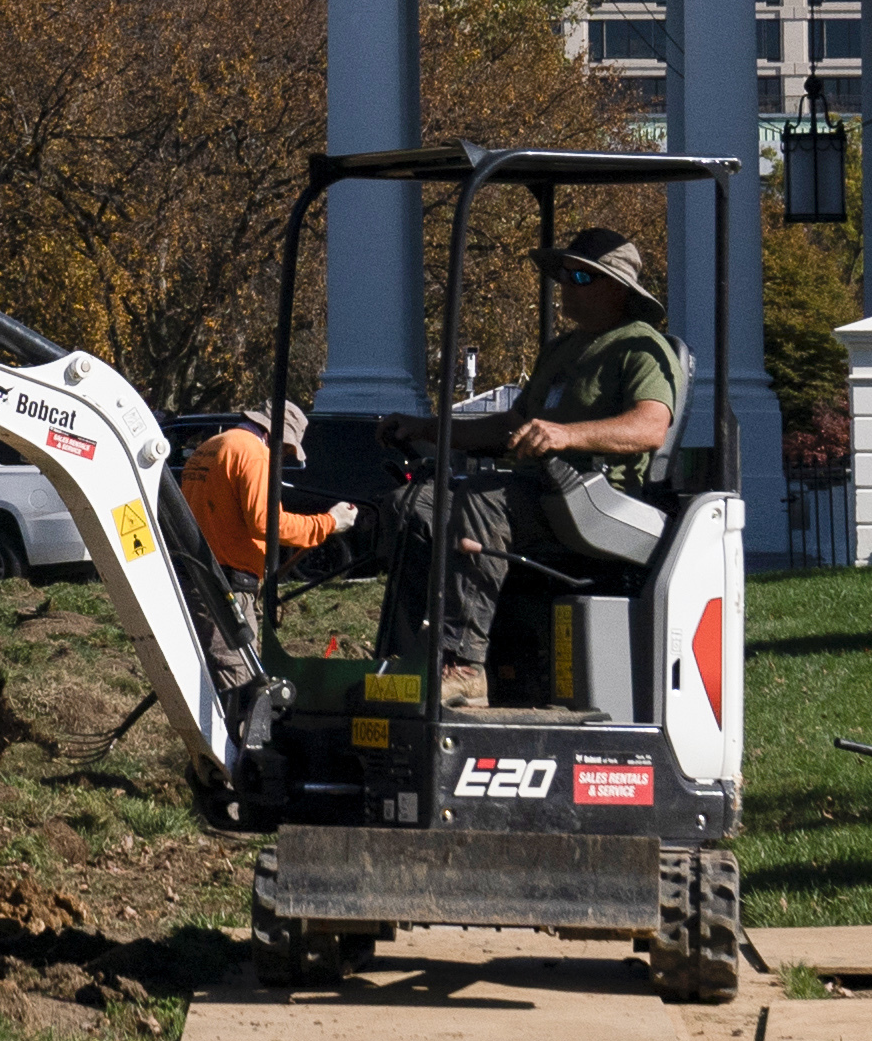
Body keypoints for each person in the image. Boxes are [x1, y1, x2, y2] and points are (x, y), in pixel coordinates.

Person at [346, 230, 688, 709]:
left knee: (480, 503)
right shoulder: (561, 349)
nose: (566, 285)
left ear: (617, 288)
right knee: (414, 504)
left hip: (597, 503)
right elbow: (512, 423)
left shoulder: (642, 348)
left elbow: (651, 427)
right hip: (538, 493)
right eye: (563, 274)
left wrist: (569, 435)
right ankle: (409, 658)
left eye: (581, 275)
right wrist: (425, 428)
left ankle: (464, 668)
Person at [172, 407, 348, 674]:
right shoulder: (253, 453)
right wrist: (329, 523)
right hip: (225, 584)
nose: (284, 455)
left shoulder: (211, 446)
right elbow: (266, 523)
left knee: (209, 675)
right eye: (287, 448)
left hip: (198, 576)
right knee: (238, 677)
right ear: (272, 434)